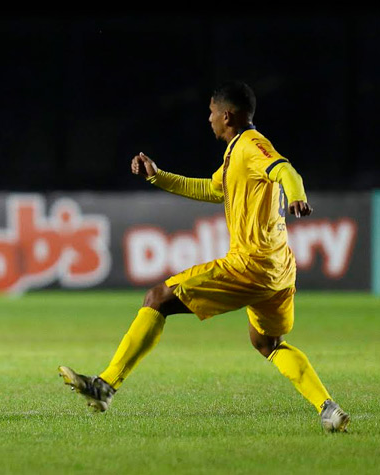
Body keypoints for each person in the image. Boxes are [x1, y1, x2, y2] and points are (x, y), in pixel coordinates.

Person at [58, 81, 350, 433]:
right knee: (267, 343)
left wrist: (297, 195)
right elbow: (212, 189)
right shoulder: (235, 153)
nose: (208, 118)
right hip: (279, 268)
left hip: (251, 264)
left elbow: (286, 170)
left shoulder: (252, 146)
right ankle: (328, 407)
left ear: (227, 115)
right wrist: (159, 177)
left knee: (158, 298)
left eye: (211, 112)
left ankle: (105, 385)